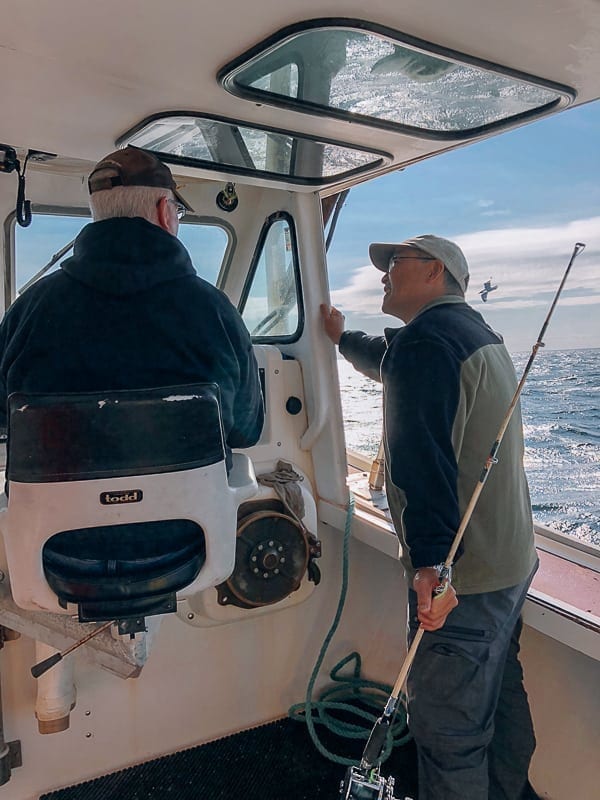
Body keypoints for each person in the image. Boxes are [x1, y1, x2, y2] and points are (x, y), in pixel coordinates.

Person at [321, 235, 539, 800]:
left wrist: (431, 566)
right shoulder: (472, 335)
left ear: (434, 271)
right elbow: (388, 360)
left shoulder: (426, 344)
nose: (384, 275)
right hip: (510, 563)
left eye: (395, 264)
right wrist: (343, 337)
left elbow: (423, 463)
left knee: (448, 733)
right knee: (497, 694)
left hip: (458, 581)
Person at [0, 146, 264, 461]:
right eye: (177, 212)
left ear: (97, 214)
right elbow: (246, 431)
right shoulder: (217, 314)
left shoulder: (26, 313)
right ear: (165, 211)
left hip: (53, 511)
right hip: (188, 510)